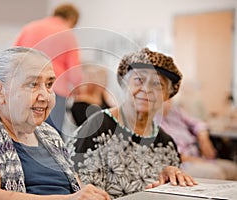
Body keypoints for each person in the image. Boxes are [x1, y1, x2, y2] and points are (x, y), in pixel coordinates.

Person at [0, 47, 111, 200]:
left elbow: (76, 191)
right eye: (33, 84)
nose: (45, 96)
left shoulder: (49, 135)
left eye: (49, 84)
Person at [67, 48, 197, 199]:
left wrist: (173, 182)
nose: (146, 89)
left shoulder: (166, 143)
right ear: (124, 84)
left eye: (157, 84)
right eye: (139, 80)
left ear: (168, 95)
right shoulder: (98, 128)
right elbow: (86, 194)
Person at [14, 3, 82, 135]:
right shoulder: (67, 33)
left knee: (24, 132)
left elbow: (13, 57)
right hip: (54, 89)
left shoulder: (29, 28)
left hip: (26, 87)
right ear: (71, 19)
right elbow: (75, 73)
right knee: (51, 136)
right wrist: (77, 88)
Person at [155, 99, 237, 180]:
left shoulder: (175, 112)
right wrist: (199, 161)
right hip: (183, 163)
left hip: (198, 156)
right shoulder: (153, 123)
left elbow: (198, 123)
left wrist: (203, 137)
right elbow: (172, 155)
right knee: (215, 173)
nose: (169, 101)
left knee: (233, 168)